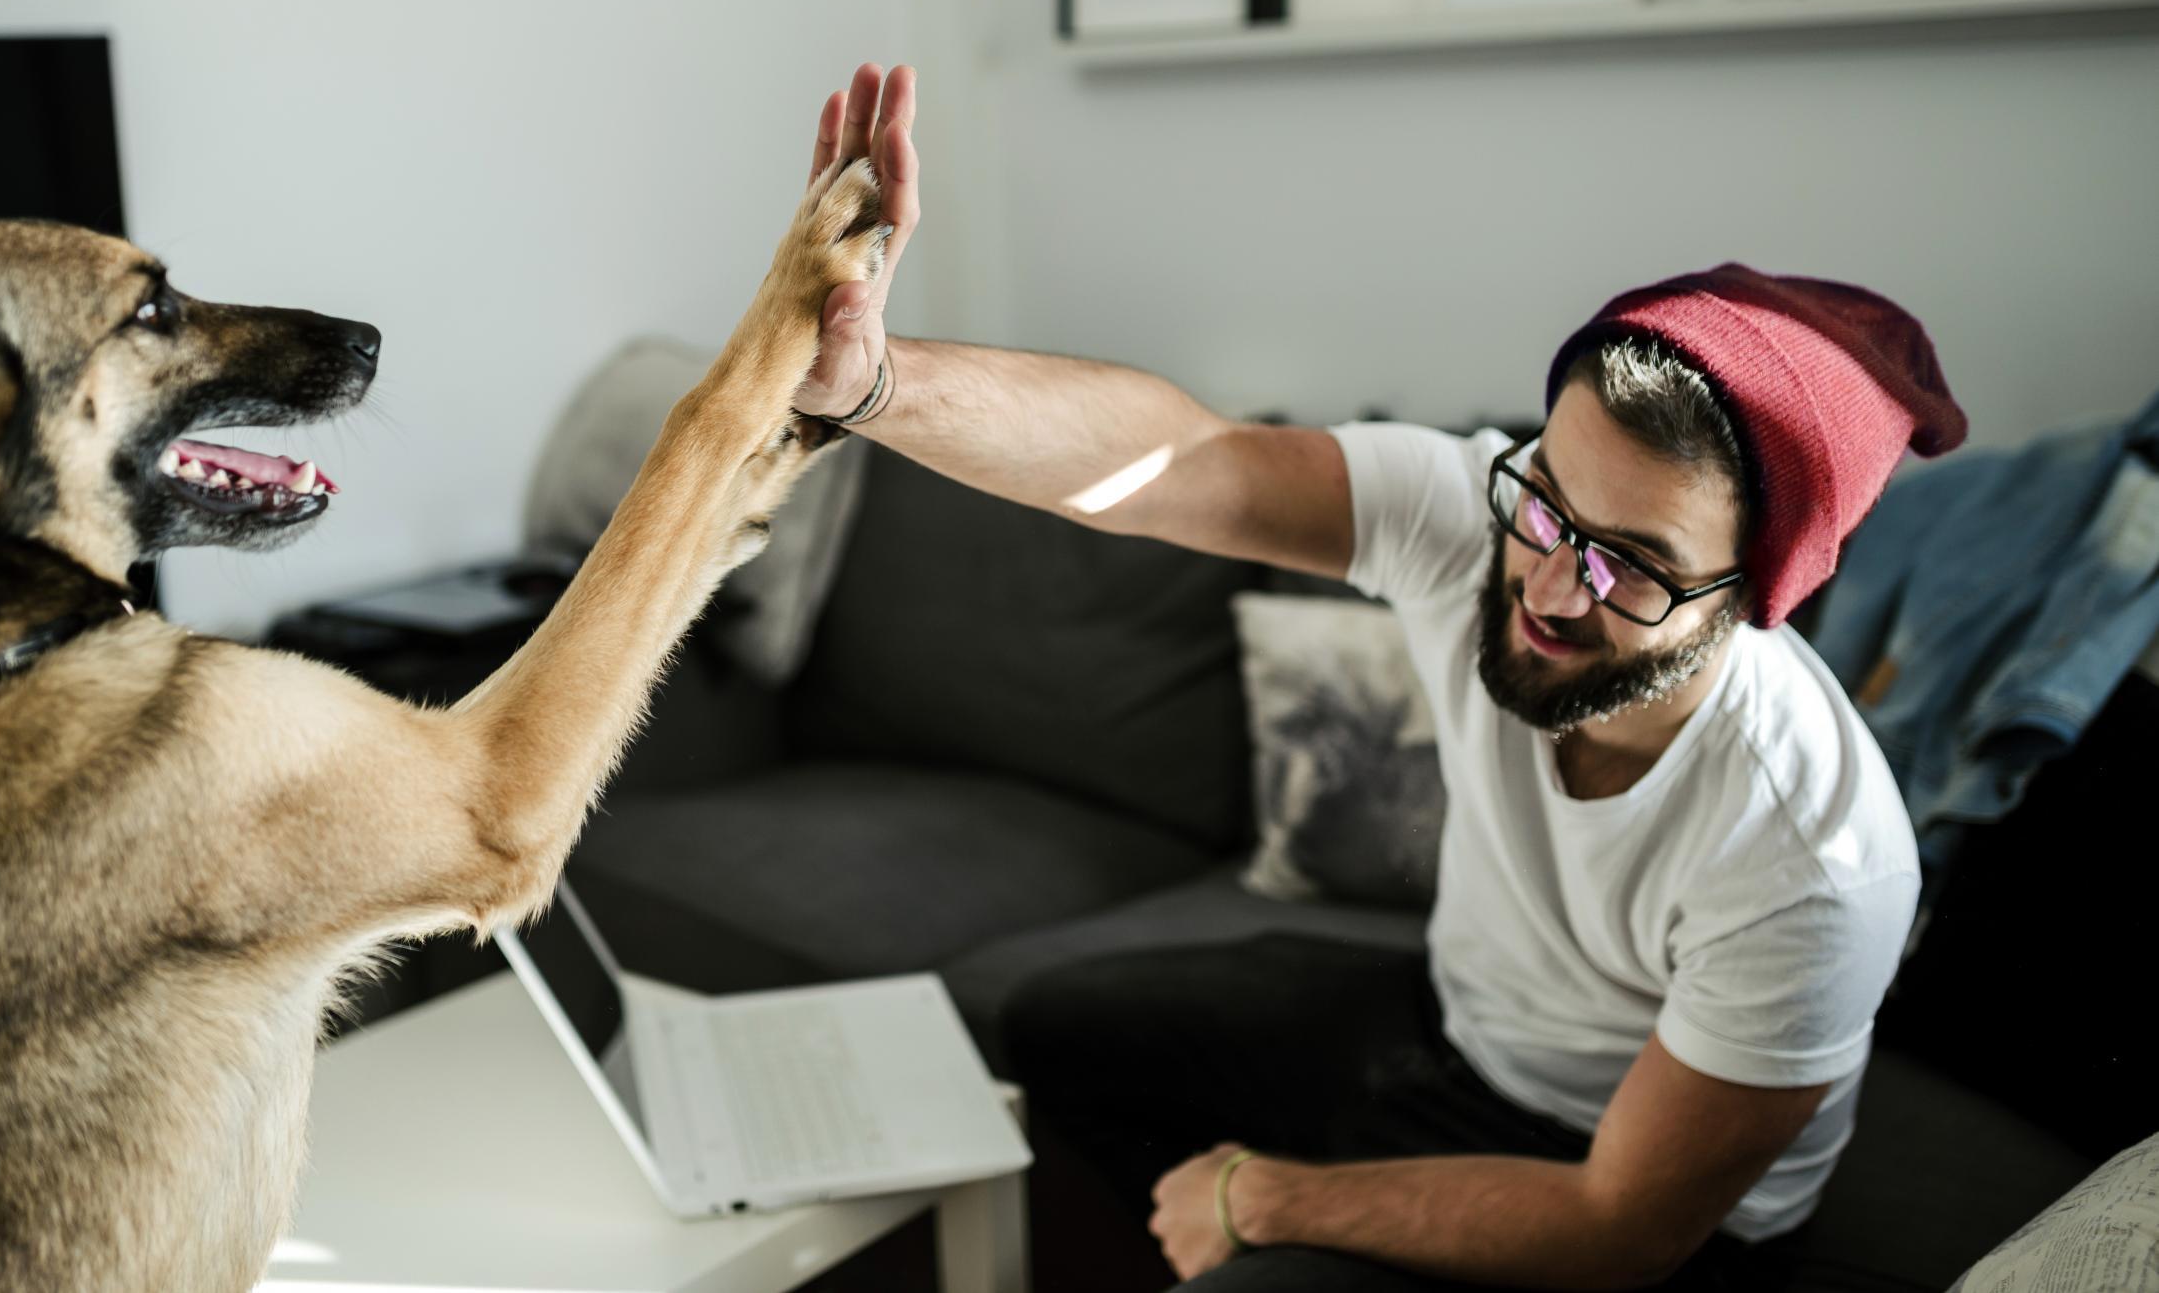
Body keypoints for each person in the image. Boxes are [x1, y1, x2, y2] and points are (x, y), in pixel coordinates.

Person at [792, 65, 1965, 1291]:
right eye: (1547, 503)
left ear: (1755, 597)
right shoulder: (1477, 521)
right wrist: (872, 385)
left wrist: (1264, 1198)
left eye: (1632, 563)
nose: (1551, 588)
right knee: (1049, 1027)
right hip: (1445, 1029)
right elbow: (1189, 460)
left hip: (1625, 1199)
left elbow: (1621, 1225)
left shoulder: (1813, 860)